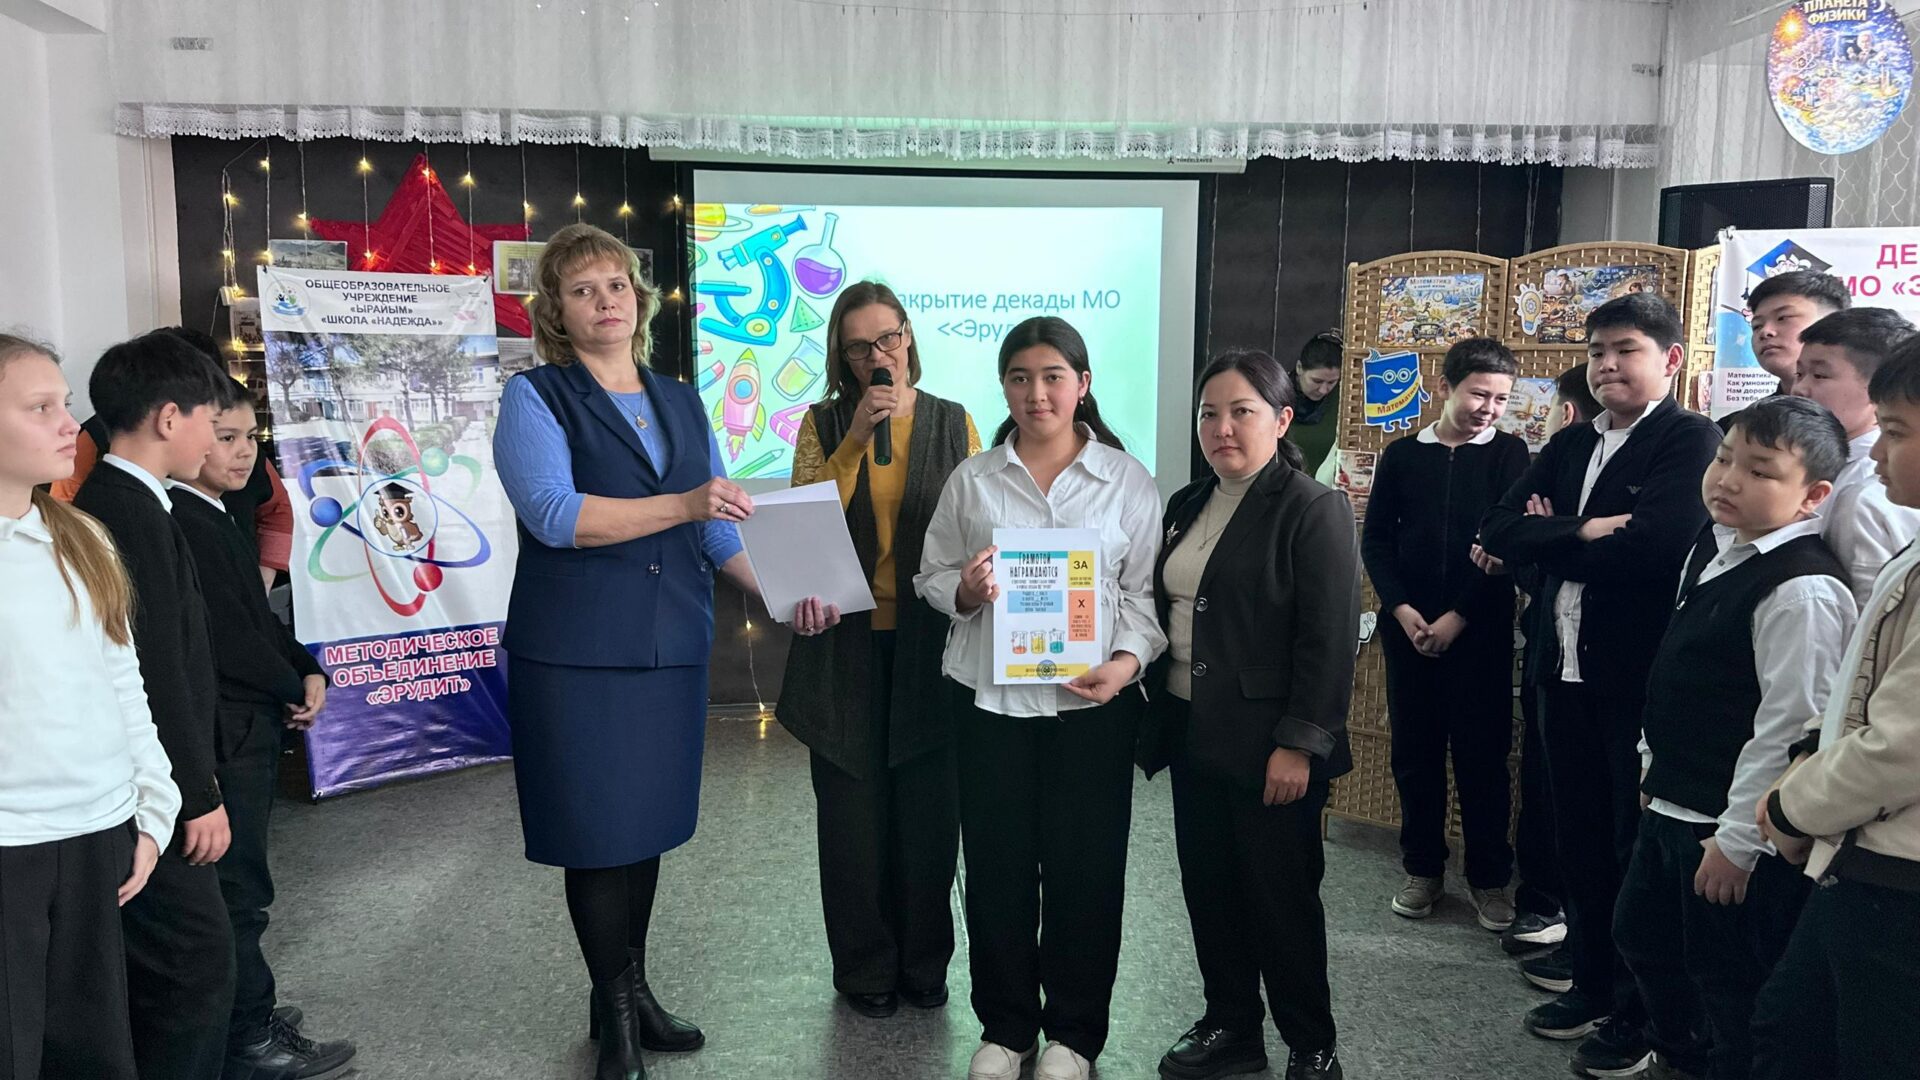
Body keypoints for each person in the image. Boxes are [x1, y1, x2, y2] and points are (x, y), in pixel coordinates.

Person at [492, 223, 835, 1080]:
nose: (605, 300)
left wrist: (785, 595)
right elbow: (555, 516)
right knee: (594, 833)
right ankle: (614, 1017)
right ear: (556, 311)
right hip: (575, 656)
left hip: (669, 647)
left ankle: (631, 993)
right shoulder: (535, 397)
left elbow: (715, 531)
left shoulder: (681, 399)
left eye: (616, 285)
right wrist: (684, 504)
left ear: (639, 302)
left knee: (642, 830)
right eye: (582, 290)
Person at [915, 316, 1167, 1080]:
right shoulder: (974, 479)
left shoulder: (1126, 481)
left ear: (1082, 385)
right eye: (1020, 378)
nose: (1037, 393)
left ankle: (1075, 1037)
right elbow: (932, 575)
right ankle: (1007, 1027)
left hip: (1092, 707)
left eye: (1054, 376)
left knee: (1087, 870)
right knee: (996, 867)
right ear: (1004, 387)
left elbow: (1143, 598)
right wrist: (965, 589)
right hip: (990, 704)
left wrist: (1124, 664)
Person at [1477, 293, 1722, 1058]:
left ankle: (1639, 1012)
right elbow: (1498, 530)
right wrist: (1584, 528)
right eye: (1596, 352)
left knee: (1629, 846)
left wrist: (1546, 537)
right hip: (1559, 670)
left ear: (1670, 359)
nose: (1606, 365)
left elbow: (1655, 548)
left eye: (1625, 350)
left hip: (1633, 680)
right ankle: (1588, 980)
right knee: (1575, 835)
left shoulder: (1689, 439)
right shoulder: (1572, 443)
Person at [1615, 396, 1854, 1080]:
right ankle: (1678, 1059)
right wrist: (1652, 764)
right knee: (1643, 940)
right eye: (1724, 459)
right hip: (1674, 799)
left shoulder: (1802, 589)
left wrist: (1739, 843)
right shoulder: (1719, 548)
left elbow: (1789, 729)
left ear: (1812, 496)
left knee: (1724, 981)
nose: (1728, 479)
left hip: (1727, 827)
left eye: (1759, 470)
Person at [1140, 348, 1357, 1080]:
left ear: (1282, 418)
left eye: (1242, 412)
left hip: (1271, 745)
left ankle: (1312, 1043)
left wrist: (1300, 743)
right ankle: (1232, 1025)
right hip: (1192, 732)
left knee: (1280, 900)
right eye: (1210, 414)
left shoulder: (1312, 507)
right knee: (1211, 892)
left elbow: (1328, 639)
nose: (1222, 428)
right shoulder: (1187, 502)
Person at [780, 282, 981, 1018]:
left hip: (935, 642)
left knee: (930, 817)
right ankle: (864, 968)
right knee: (852, 821)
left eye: (887, 339)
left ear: (908, 336)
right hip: (845, 644)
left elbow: (978, 520)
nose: (877, 356)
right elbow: (804, 522)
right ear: (842, 355)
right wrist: (857, 440)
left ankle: (925, 964)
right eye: (859, 347)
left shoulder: (954, 422)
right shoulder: (823, 423)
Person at [0, 334, 178, 1080]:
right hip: (11, 842)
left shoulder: (81, 538)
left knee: (94, 1048)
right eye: (40, 407)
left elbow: (121, 681)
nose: (69, 424)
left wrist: (153, 804)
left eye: (66, 403)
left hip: (97, 830)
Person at [168, 380, 356, 1080]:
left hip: (248, 719)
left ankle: (249, 1009)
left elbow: (256, 613)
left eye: (252, 438)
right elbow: (228, 638)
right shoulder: (183, 520)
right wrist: (291, 683)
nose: (244, 453)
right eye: (225, 438)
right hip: (227, 726)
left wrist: (306, 667)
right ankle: (248, 1034)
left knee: (246, 885)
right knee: (238, 891)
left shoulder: (220, 510)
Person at [71, 330, 239, 1080]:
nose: (215, 438)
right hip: (158, 794)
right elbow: (156, 671)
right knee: (193, 967)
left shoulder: (137, 501)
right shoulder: (125, 511)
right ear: (171, 418)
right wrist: (195, 794)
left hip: (163, 782)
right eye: (210, 420)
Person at [1753, 333, 1920, 1080]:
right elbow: (1866, 679)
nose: (1876, 451)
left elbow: (1900, 746)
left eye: (1898, 432)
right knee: (1790, 1031)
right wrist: (1806, 763)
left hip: (1897, 872)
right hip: (1858, 849)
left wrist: (1792, 809)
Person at [1362, 337, 1528, 930]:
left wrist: (1458, 615)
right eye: (1479, 394)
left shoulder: (1511, 455)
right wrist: (1402, 609)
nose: (1489, 408)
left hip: (1479, 630)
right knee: (1415, 755)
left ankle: (1489, 878)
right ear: (1444, 387)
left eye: (1501, 398)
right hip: (1408, 632)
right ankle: (1422, 869)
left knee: (1483, 758)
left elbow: (1505, 544)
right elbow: (1376, 540)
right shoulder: (1403, 455)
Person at [52, 326, 294, 593]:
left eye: (250, 436)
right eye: (214, 425)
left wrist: (263, 577)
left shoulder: (148, 504)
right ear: (170, 417)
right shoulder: (136, 514)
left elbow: (278, 509)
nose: (212, 440)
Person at [1499, 364, 1601, 960]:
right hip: (1547, 650)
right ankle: (1542, 904)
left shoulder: (1672, 450)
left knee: (1585, 802)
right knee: (1542, 784)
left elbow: (1635, 553)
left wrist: (1550, 535)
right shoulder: (1555, 465)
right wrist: (1563, 537)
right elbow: (1504, 536)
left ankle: (1571, 923)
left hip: (1603, 665)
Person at [1788, 307, 1920, 607]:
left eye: (1820, 375)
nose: (1799, 389)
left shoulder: (1870, 493)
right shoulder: (1817, 462)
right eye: (1799, 373)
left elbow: (1869, 612)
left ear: (1877, 387)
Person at [1727, 269, 1851, 419]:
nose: (1765, 332)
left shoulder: (1870, 420)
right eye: (1757, 326)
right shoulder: (1740, 426)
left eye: (1783, 318)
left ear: (1833, 322)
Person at [1289, 330, 1343, 477]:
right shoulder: (1277, 395)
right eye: (1317, 381)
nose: (1323, 390)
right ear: (1299, 368)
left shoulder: (1343, 401)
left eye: (1331, 382)